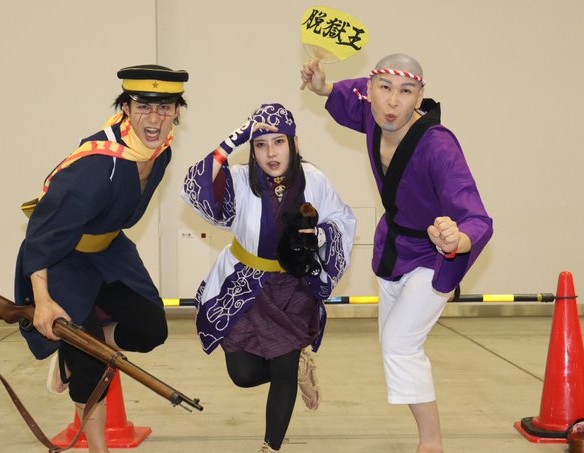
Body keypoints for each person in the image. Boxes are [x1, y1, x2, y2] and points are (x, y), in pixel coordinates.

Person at [301, 54, 493, 453]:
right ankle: (428, 438)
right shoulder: (375, 115)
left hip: (434, 254)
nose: (392, 101)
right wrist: (323, 87)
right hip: (393, 248)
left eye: (406, 91)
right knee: (395, 344)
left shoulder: (439, 146)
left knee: (399, 344)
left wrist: (458, 239)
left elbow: (477, 217)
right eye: (384, 88)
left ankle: (432, 444)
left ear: (420, 96)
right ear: (370, 90)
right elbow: (349, 98)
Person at [14, 64, 189, 453]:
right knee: (93, 367)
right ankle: (97, 445)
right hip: (61, 255)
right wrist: (42, 302)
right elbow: (42, 232)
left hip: (109, 250)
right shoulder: (98, 163)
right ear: (126, 108)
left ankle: (76, 346)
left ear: (177, 110)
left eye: (165, 107)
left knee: (151, 329)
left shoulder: (161, 151)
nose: (154, 118)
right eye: (144, 106)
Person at [181, 103, 356, 452]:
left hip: (295, 288)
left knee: (282, 371)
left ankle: (270, 446)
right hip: (244, 285)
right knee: (243, 375)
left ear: (294, 143)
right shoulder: (238, 178)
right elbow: (195, 187)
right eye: (260, 145)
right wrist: (233, 140)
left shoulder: (313, 179)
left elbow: (342, 220)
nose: (271, 153)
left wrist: (320, 235)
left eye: (279, 142)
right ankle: (296, 368)